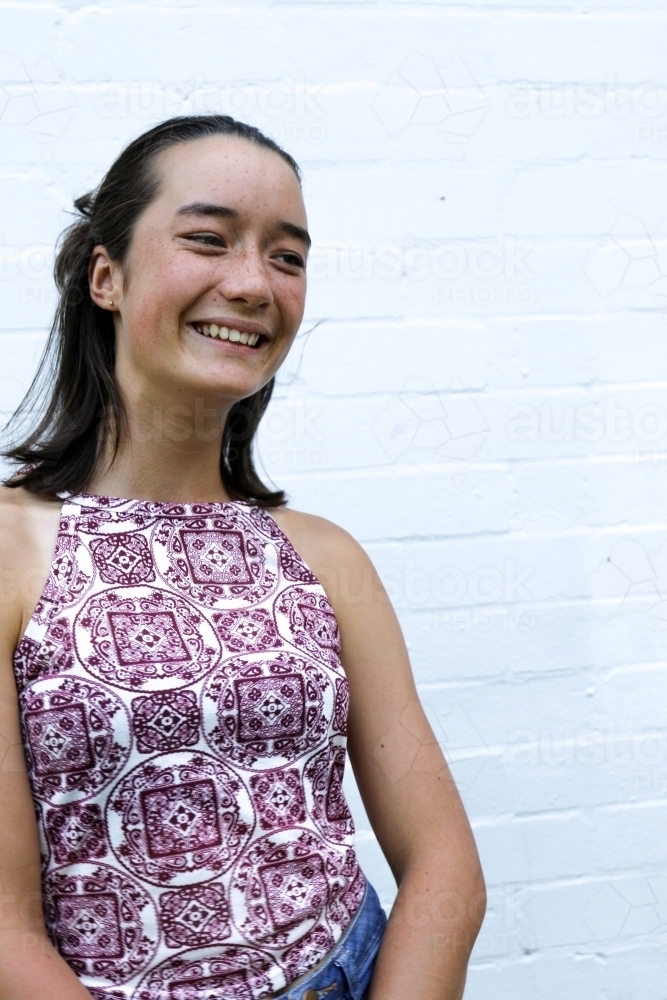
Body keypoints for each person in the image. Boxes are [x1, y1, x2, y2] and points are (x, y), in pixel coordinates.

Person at [0, 115, 485, 1000]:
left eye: (287, 257)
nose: (254, 284)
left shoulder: (325, 556)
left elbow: (444, 863)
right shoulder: (8, 549)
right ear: (106, 276)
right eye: (207, 240)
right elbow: (2, 928)